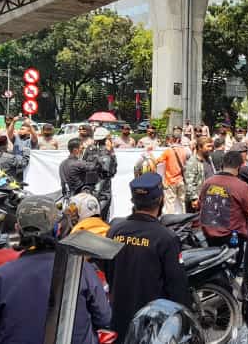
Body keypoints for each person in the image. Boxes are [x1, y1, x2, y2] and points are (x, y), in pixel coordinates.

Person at [0, 195, 110, 344]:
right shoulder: (81, 269)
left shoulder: (1, 276)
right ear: (58, 229)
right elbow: (103, 318)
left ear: (18, 229)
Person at [105, 173, 190, 342]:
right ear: (160, 200)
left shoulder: (114, 231)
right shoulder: (166, 238)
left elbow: (108, 271)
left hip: (119, 319)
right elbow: (177, 287)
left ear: (133, 201)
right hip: (152, 324)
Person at [198, 149, 248, 247]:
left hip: (208, 235)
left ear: (223, 164)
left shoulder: (207, 183)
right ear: (239, 167)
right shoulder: (242, 186)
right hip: (232, 239)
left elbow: (201, 204)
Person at [81, 128, 117, 218]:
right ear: (106, 139)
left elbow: (83, 164)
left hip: (88, 188)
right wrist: (112, 153)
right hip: (103, 192)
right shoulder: (107, 153)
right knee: (102, 217)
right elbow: (111, 172)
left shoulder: (89, 149)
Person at [154, 135, 189, 214]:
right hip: (181, 180)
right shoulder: (184, 151)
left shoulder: (168, 151)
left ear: (171, 140)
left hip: (170, 181)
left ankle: (171, 222)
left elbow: (156, 161)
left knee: (170, 203)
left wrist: (150, 155)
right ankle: (185, 218)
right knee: (183, 202)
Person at [183, 136, 215, 213]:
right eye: (208, 146)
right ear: (200, 147)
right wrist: (194, 198)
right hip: (197, 201)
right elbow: (189, 182)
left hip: (209, 198)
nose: (211, 149)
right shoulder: (193, 162)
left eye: (211, 146)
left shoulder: (209, 159)